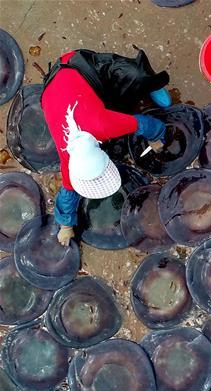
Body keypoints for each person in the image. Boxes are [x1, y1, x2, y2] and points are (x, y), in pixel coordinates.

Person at [41, 49, 173, 245]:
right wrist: (65, 226)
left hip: (78, 66)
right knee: (112, 106)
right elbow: (68, 192)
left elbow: (145, 124)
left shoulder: (105, 125)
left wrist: (157, 137)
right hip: (52, 88)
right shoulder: (68, 159)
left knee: (134, 76)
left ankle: (148, 81)